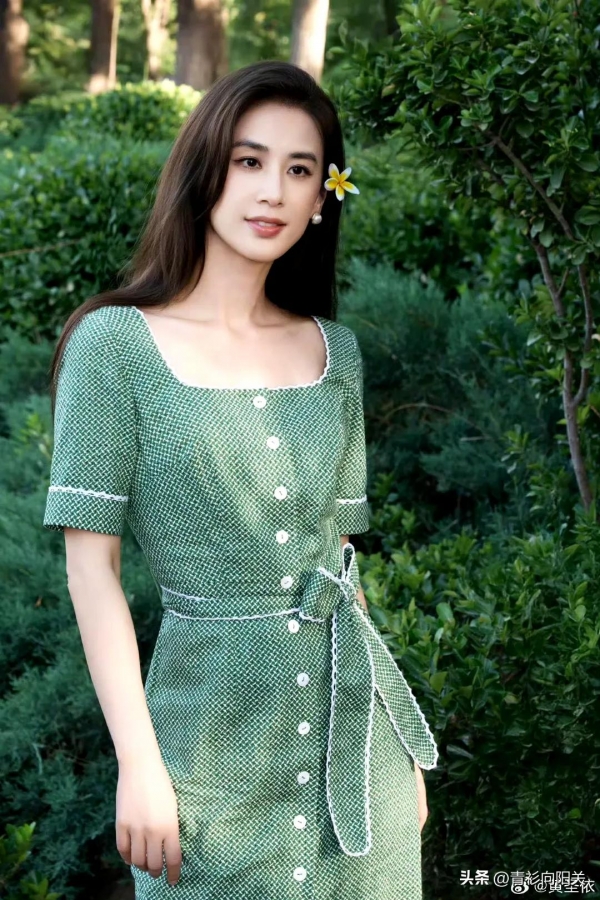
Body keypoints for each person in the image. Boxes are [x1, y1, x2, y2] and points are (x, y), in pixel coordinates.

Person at [42, 59, 439, 900]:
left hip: (357, 764)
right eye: (249, 160)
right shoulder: (113, 347)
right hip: (206, 761)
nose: (272, 191)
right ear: (205, 170)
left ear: (323, 194)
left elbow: (343, 567)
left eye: (300, 169)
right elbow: (90, 569)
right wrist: (138, 763)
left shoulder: (334, 354)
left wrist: (399, 746)